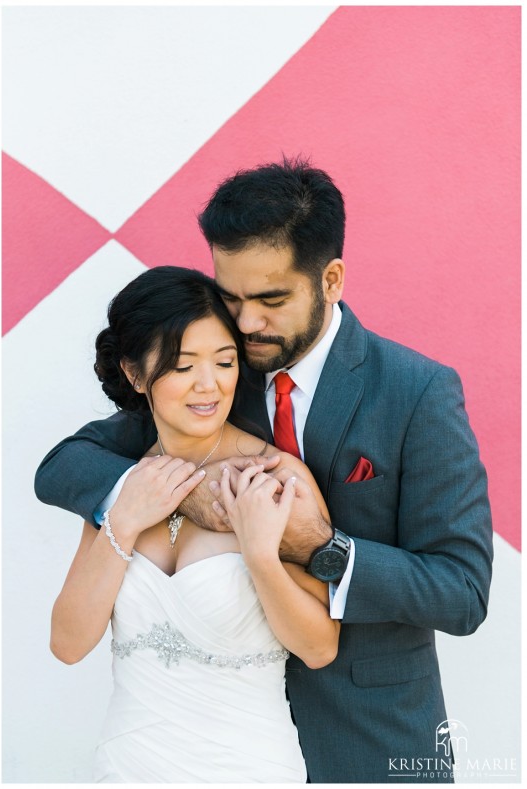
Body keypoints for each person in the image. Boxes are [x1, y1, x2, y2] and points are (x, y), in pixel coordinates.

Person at [36, 158, 493, 783]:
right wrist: (185, 495)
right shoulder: (216, 374)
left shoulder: (417, 393)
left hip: (370, 734)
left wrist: (318, 546)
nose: (247, 323)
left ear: (330, 279)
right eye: (232, 297)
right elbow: (66, 463)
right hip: (185, 740)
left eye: (271, 299)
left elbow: (461, 592)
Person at [49, 265, 340, 783]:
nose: (209, 385)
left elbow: (319, 648)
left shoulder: (273, 476)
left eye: (225, 362)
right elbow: (68, 644)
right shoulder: (126, 484)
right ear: (136, 375)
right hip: (128, 765)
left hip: (248, 766)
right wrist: (124, 520)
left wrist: (260, 557)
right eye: (183, 367)